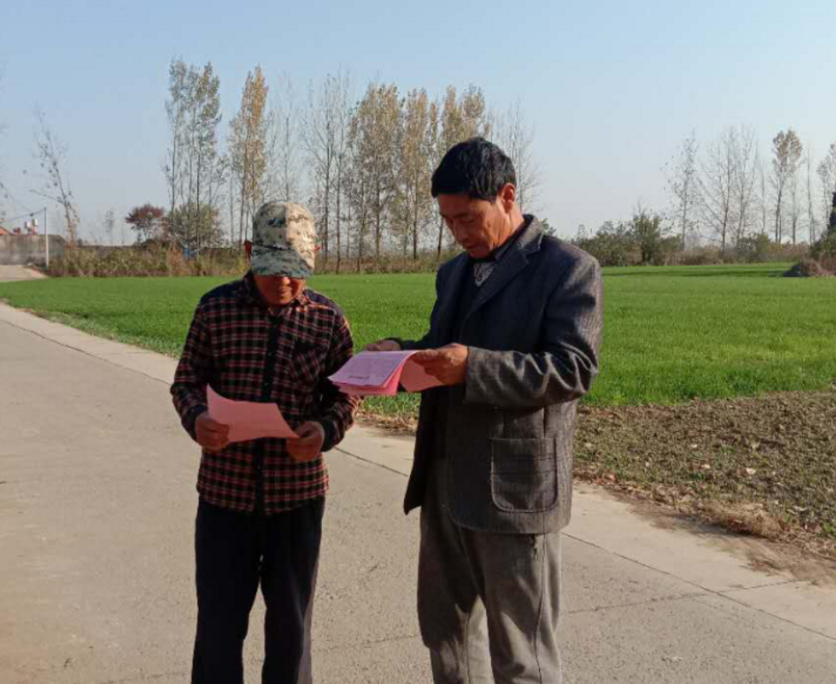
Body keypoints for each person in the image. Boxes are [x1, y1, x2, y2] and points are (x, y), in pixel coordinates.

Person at [368, 138, 603, 684]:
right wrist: (401, 355)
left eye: (468, 218)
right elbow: (443, 351)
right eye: (448, 221)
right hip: (444, 479)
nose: (459, 232)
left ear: (507, 196)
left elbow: (572, 369)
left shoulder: (568, 268)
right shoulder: (453, 273)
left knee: (523, 656)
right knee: (445, 634)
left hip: (514, 493)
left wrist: (473, 367)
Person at [171, 201, 358, 684]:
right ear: (249, 252)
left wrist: (324, 430)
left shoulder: (327, 319)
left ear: (315, 256)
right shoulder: (215, 310)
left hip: (296, 500)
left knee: (291, 632)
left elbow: (345, 395)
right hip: (224, 498)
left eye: (296, 271)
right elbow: (186, 382)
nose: (284, 283)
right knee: (218, 629)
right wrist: (198, 419)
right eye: (273, 269)